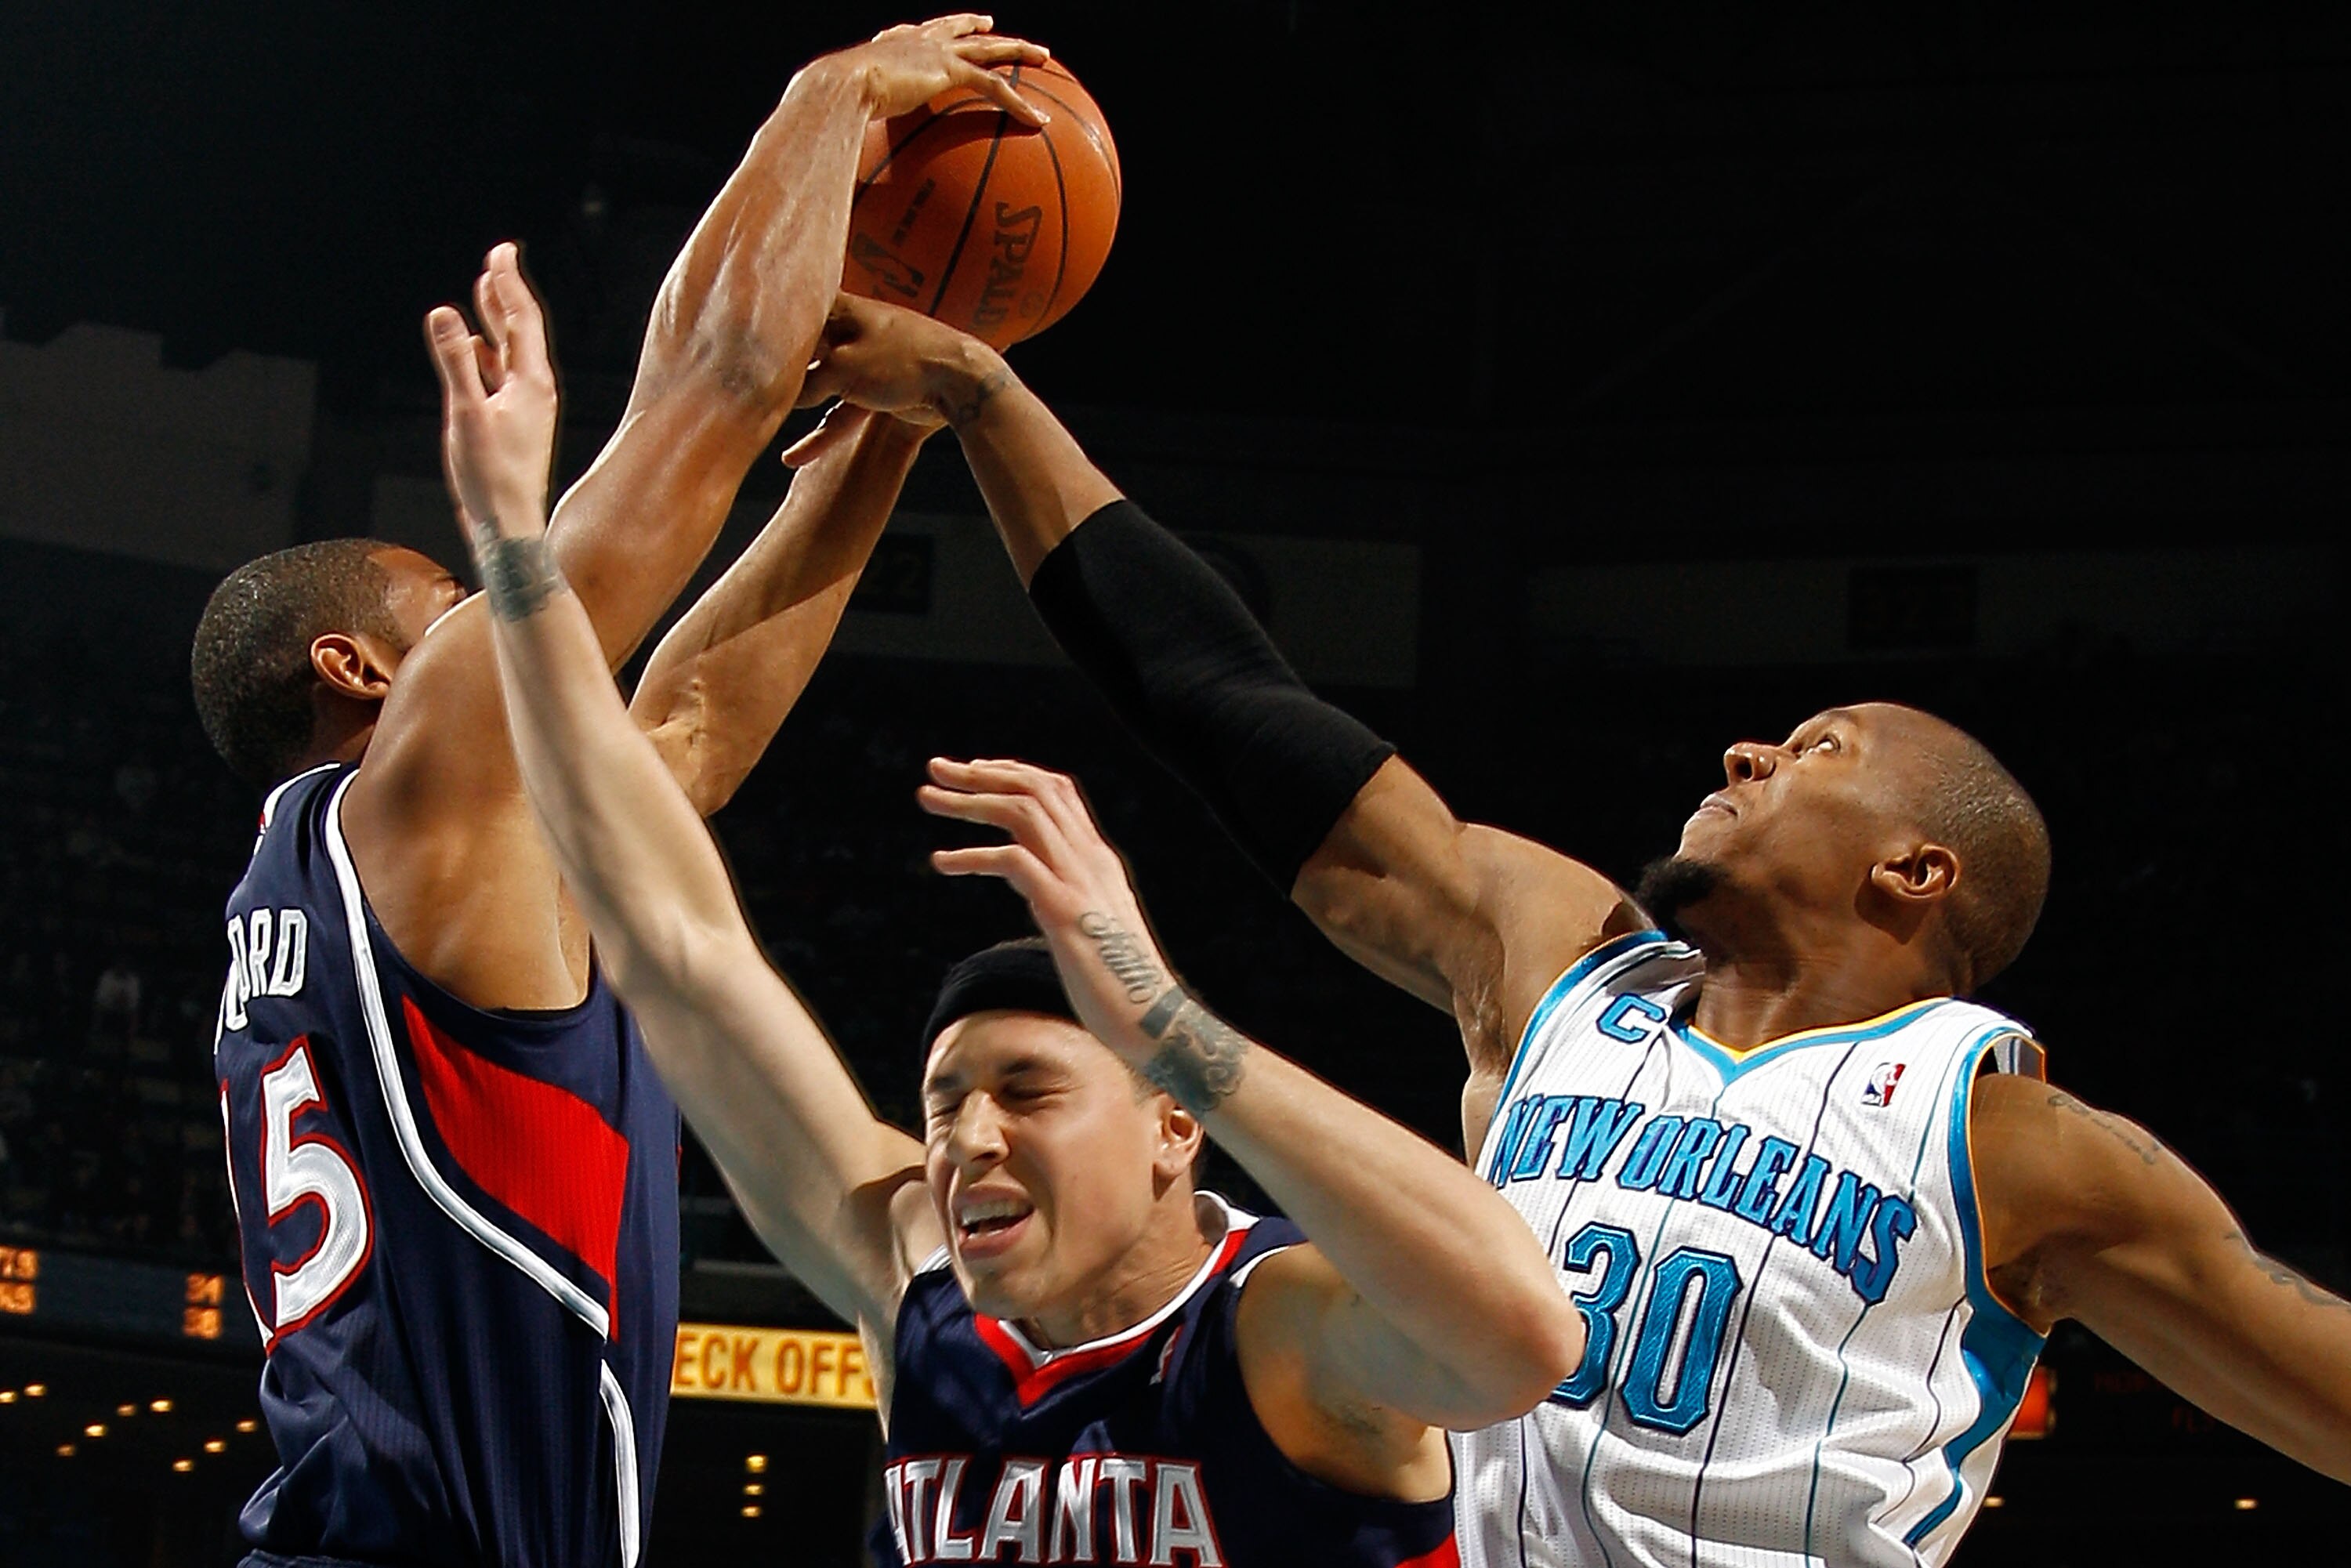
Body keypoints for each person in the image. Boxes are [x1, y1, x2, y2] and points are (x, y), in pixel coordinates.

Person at [788, 292, 2351, 1566]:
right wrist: (988, 401)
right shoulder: (1561, 966)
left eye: (1817, 748)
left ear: (1918, 870)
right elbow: (1237, 711)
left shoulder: (2016, 1140)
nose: (1747, 753)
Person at [422, 241, 1588, 1568]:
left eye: (1029, 1089)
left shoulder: (1279, 1325)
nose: (967, 1136)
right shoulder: (914, 1279)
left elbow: (1526, 1336)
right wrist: (518, 552)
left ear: (1170, 1128)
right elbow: (670, 944)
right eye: (943, 1101)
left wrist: (1163, 1018)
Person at [190, 21, 1048, 1566]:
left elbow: (692, 727)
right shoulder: (426, 773)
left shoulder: (369, 873)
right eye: (447, 601)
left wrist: (887, 438)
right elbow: (710, 392)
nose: (481, 619)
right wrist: (834, 92)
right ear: (361, 669)